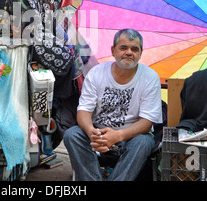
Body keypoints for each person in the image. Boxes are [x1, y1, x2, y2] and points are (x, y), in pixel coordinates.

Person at [64, 28, 162, 181]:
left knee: (144, 141)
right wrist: (91, 132)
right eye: (123, 47)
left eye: (134, 49)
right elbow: (83, 111)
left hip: (130, 139)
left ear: (140, 53)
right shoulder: (96, 73)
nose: (129, 52)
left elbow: (147, 123)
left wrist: (118, 135)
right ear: (113, 50)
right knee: (72, 135)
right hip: (98, 137)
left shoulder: (150, 77)